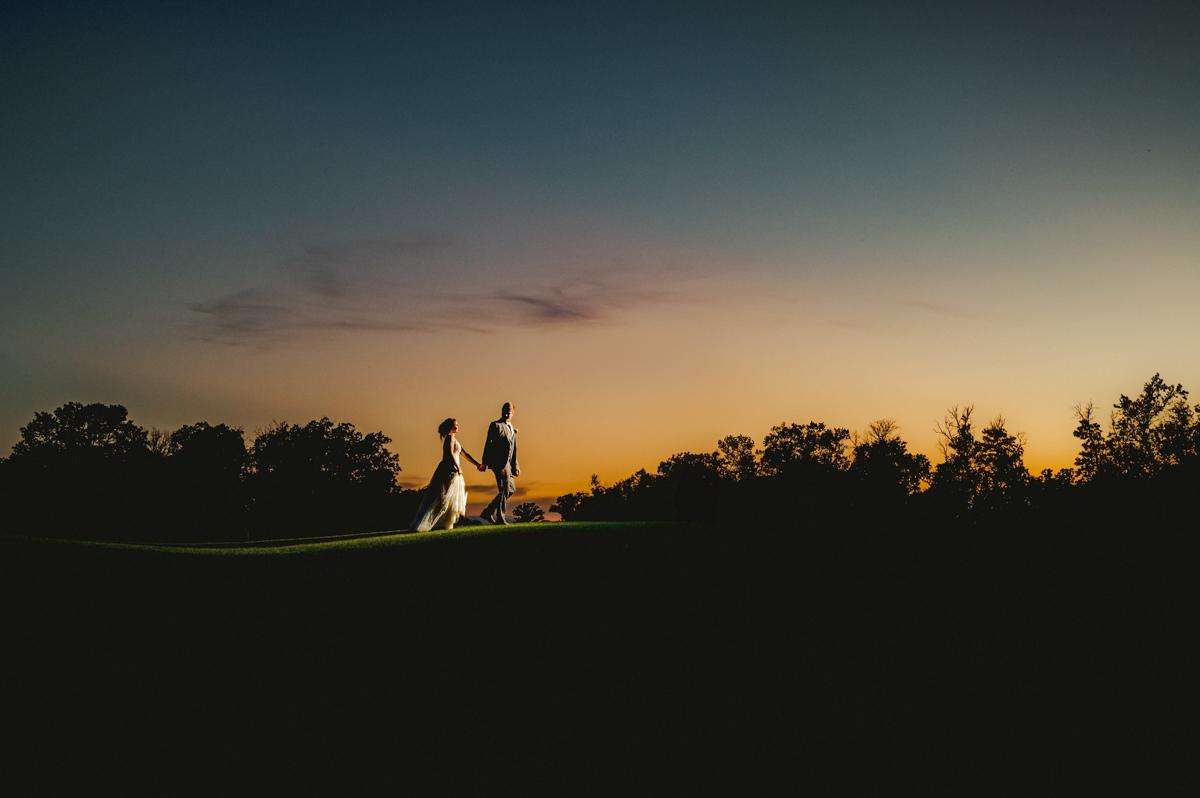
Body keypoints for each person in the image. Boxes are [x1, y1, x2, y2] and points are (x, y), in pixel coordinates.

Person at [410, 418, 483, 532]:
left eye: (457, 425)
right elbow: (448, 454)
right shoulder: (449, 437)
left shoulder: (454, 439)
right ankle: (429, 523)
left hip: (453, 469)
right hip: (449, 470)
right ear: (450, 427)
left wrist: (477, 464)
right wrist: (457, 467)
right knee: (442, 498)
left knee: (449, 499)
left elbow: (464, 454)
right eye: (455, 425)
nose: (457, 427)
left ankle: (446, 524)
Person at [480, 402, 520, 525]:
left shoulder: (512, 428)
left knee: (511, 489)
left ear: (513, 413)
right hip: (498, 463)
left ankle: (489, 511)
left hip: (508, 464)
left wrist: (516, 465)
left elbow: (514, 449)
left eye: (509, 410)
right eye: (504, 410)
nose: (506, 412)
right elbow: (488, 444)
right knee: (504, 489)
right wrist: (484, 462)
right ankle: (500, 518)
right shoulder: (495, 425)